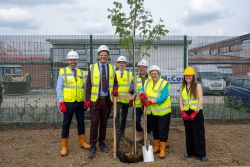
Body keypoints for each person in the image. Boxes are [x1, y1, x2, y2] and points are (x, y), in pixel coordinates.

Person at [84, 45, 118, 159]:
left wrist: (115, 89)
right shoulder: (92, 67)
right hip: (95, 101)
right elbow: (88, 84)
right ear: (98, 56)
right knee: (94, 122)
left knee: (104, 122)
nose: (103, 57)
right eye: (101, 55)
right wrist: (87, 99)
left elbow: (115, 82)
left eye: (105, 55)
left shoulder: (112, 68)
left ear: (108, 56)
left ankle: (102, 143)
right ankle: (93, 144)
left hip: (107, 101)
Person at [56, 50, 90, 156]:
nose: (73, 61)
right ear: (68, 60)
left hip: (80, 102)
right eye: (71, 59)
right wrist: (61, 102)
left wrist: (86, 100)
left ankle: (82, 142)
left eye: (74, 59)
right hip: (68, 103)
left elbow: (85, 87)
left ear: (77, 60)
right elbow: (58, 88)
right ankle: (64, 146)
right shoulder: (63, 72)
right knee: (66, 124)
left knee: (81, 122)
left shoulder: (82, 72)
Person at [139, 65, 171, 159]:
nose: (153, 75)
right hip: (152, 112)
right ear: (150, 75)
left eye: (155, 73)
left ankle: (162, 149)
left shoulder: (163, 83)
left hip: (163, 112)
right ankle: (156, 147)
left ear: (159, 74)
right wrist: (143, 96)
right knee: (155, 130)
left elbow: (163, 97)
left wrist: (150, 101)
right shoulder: (147, 82)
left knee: (162, 130)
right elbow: (141, 90)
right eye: (152, 74)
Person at [179, 67, 208, 162]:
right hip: (186, 112)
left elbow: (201, 99)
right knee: (189, 132)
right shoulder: (182, 86)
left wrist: (195, 112)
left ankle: (202, 154)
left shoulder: (197, 85)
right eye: (186, 75)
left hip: (197, 112)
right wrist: (182, 111)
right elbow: (181, 99)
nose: (188, 77)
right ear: (184, 76)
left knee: (199, 133)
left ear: (193, 76)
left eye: (190, 75)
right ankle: (189, 151)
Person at [115, 55, 134, 148]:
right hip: (117, 99)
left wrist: (131, 94)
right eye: (120, 63)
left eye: (123, 63)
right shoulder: (114, 74)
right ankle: (117, 132)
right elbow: (112, 85)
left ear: (125, 64)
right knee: (117, 115)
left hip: (126, 99)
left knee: (124, 117)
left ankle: (122, 132)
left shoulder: (129, 74)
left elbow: (132, 84)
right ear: (117, 64)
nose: (121, 64)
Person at [134, 59, 150, 141]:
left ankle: (147, 137)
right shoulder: (135, 78)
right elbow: (132, 87)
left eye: (143, 67)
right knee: (136, 121)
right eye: (140, 67)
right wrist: (131, 89)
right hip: (138, 104)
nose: (142, 69)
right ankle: (141, 134)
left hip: (148, 103)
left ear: (146, 68)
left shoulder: (150, 78)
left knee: (148, 122)